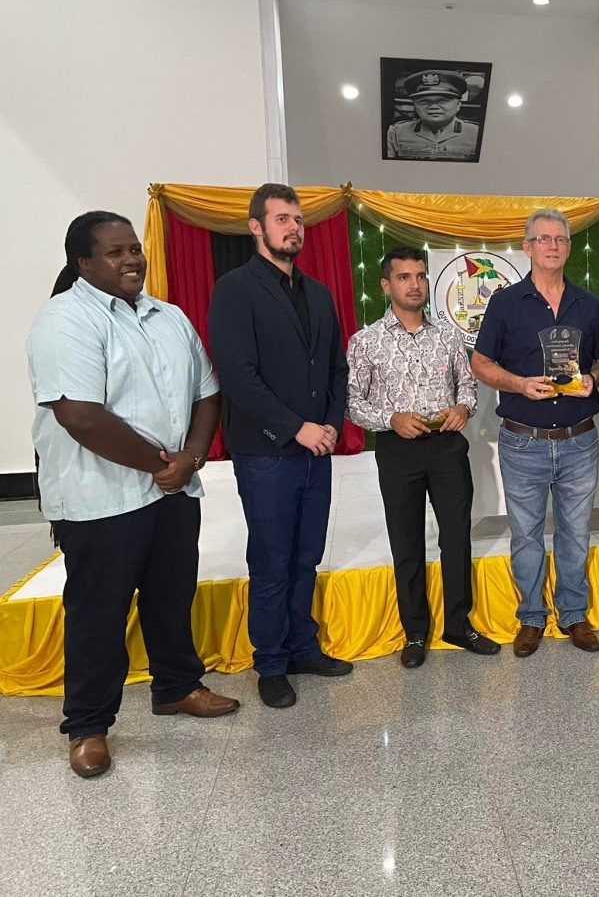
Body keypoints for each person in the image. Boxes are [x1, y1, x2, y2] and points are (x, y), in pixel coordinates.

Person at [27, 211, 238, 778]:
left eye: (134, 249)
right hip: (101, 497)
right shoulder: (64, 320)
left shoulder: (168, 317)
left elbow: (207, 394)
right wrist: (158, 465)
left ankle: (176, 687)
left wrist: (189, 460)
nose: (131, 260)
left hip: (171, 488)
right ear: (84, 262)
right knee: (99, 610)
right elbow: (79, 415)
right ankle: (89, 726)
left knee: (172, 593)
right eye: (116, 252)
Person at [207, 183, 352, 708]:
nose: (294, 227)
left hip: (317, 449)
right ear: (256, 227)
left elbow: (336, 366)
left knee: (306, 556)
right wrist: (297, 428)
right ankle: (270, 663)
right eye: (282, 219)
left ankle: (303, 648)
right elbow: (239, 377)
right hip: (268, 452)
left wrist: (330, 425)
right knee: (272, 560)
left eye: (298, 219)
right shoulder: (235, 289)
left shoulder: (317, 292)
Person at [346, 245, 499, 668]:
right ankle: (415, 632)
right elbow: (352, 404)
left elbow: (467, 388)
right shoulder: (366, 342)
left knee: (455, 537)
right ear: (386, 284)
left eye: (419, 276)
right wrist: (390, 418)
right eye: (403, 277)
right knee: (407, 541)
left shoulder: (448, 335)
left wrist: (462, 408)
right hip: (398, 450)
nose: (414, 284)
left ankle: (458, 624)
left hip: (447, 446)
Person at [471, 208, 599, 657]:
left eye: (560, 239)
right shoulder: (505, 303)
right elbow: (481, 363)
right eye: (543, 238)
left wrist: (594, 378)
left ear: (569, 248)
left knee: (575, 532)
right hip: (522, 439)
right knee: (526, 534)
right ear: (527, 247)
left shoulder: (589, 305)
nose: (552, 246)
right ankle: (531, 617)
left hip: (578, 439)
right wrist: (517, 384)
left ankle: (573, 615)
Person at [386, 70, 480, 160]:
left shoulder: (476, 134)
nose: (433, 107)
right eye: (424, 101)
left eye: (443, 101)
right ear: (414, 105)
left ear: (458, 104)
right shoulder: (396, 132)